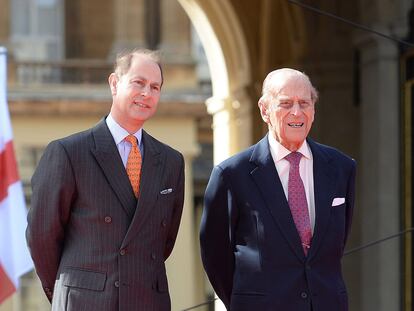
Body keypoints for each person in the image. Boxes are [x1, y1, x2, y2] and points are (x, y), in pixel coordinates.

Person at [26, 49, 185, 311]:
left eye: (155, 87)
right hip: (85, 302)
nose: (147, 93)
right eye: (138, 83)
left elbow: (163, 241)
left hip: (147, 301)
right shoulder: (69, 153)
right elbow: (41, 235)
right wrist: (72, 286)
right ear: (114, 83)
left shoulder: (171, 162)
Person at [200, 68, 356, 311]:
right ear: (265, 110)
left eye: (304, 102)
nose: (297, 111)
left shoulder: (341, 168)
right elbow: (215, 256)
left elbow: (335, 243)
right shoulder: (231, 175)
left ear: (313, 110)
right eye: (285, 103)